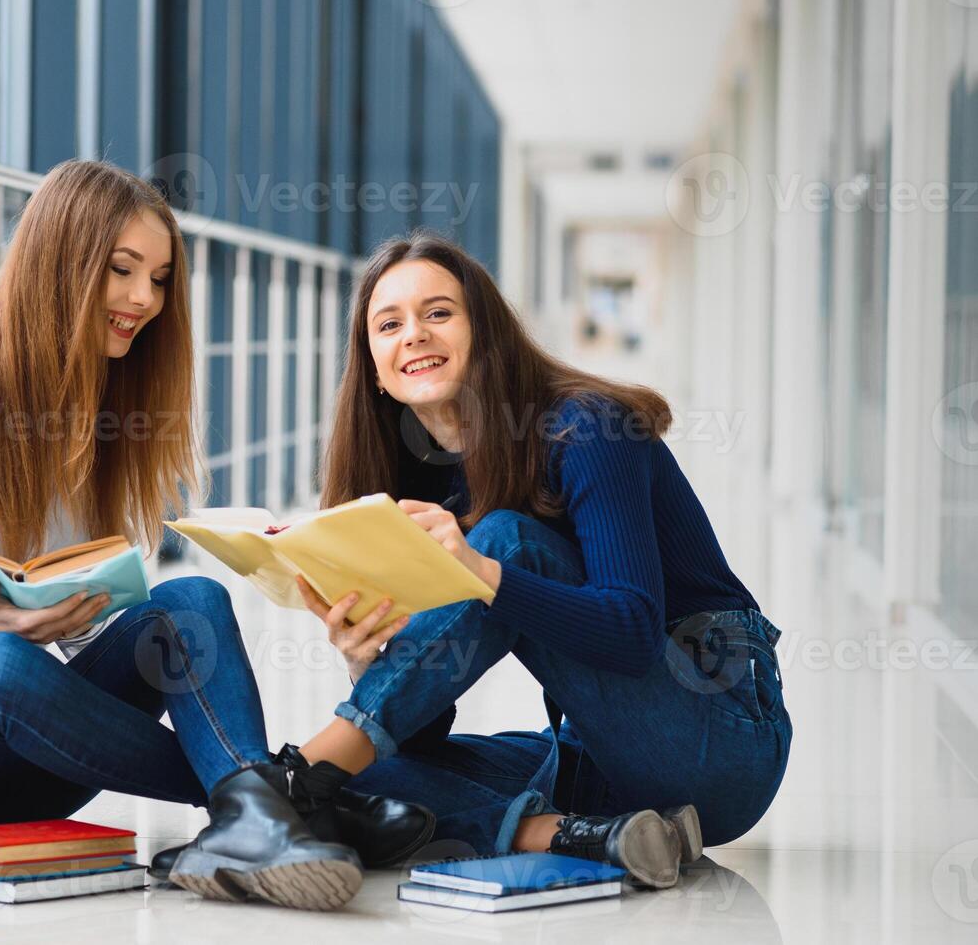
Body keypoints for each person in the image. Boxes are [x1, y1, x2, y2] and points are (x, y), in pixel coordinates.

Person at [0, 160, 428, 912]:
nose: (145, 298)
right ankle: (289, 800)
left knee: (190, 601)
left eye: (160, 279)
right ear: (58, 264)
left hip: (46, 752)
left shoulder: (95, 419)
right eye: (121, 270)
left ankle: (254, 811)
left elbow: (98, 633)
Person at [240, 230, 790, 888]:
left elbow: (634, 632)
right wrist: (366, 656)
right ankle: (585, 836)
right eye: (389, 324)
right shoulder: (427, 487)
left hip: (717, 742)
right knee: (373, 780)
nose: (413, 334)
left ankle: (297, 776)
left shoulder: (588, 427)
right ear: (375, 368)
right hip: (599, 764)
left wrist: (480, 571)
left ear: (485, 332)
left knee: (506, 540)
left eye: (438, 312)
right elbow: (420, 731)